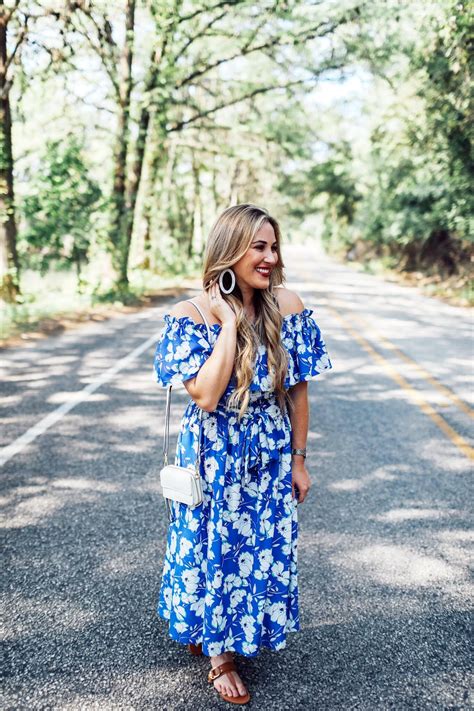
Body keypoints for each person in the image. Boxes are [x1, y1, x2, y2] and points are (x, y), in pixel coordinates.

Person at [153, 203, 333, 705]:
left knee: (258, 546)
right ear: (229, 250)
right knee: (214, 546)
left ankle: (229, 629)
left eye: (274, 247)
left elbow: (296, 391)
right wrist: (229, 324)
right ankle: (220, 658)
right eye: (259, 246)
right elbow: (207, 396)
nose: (271, 258)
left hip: (270, 448)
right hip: (212, 449)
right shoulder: (189, 316)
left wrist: (299, 459)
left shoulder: (287, 305)